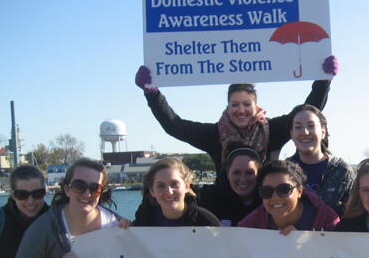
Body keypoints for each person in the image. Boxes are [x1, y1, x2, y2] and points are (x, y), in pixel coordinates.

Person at [134, 57, 338, 179]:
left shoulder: (273, 130)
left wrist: (324, 80)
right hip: (225, 211)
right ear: (227, 107)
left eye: (246, 104)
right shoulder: (214, 135)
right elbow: (174, 126)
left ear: (256, 106)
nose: (241, 110)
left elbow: (307, 112)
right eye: (235, 104)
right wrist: (152, 94)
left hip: (266, 208)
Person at [287, 104, 353, 215]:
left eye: (311, 126)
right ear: (292, 134)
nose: (305, 132)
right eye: (298, 127)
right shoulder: (283, 171)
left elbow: (354, 213)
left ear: (323, 132)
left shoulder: (342, 171)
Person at [197, 142, 262, 227]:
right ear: (227, 174)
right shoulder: (208, 197)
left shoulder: (268, 199)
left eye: (249, 173)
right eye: (236, 173)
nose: (243, 179)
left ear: (258, 174)